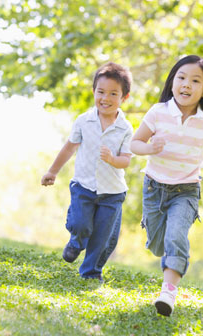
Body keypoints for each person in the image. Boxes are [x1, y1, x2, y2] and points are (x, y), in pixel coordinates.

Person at [130, 55, 203, 316]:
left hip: (186, 191)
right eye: (181, 78)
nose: (186, 84)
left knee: (176, 237)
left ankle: (168, 293)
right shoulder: (158, 113)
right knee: (158, 245)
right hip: (154, 188)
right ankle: (163, 252)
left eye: (195, 81)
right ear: (172, 82)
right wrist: (149, 148)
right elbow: (134, 143)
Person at [41, 62, 133, 282]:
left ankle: (91, 273)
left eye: (113, 94)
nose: (106, 98)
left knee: (101, 237)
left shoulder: (125, 128)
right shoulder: (84, 121)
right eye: (101, 92)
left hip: (112, 192)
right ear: (94, 92)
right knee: (81, 224)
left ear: (124, 97)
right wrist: (52, 171)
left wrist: (112, 159)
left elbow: (126, 161)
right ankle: (76, 241)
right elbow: (69, 147)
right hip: (83, 186)